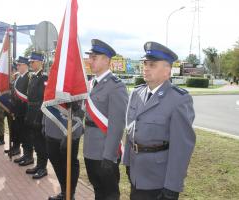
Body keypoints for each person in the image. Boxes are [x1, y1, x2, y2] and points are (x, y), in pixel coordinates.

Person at [123, 41, 196, 200]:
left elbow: (181, 149)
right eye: (145, 64)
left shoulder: (178, 100)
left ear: (167, 71)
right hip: (136, 173)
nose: (146, 68)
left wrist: (172, 186)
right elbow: (130, 131)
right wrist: (127, 163)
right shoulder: (136, 94)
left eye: (152, 64)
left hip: (159, 178)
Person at [83, 39, 128, 200]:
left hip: (104, 153)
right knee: (98, 191)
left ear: (106, 60)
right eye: (90, 57)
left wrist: (109, 156)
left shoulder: (116, 86)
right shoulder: (90, 83)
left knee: (109, 194)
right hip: (90, 149)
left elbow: (117, 126)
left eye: (94, 57)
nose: (90, 61)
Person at [45, 101, 84, 200]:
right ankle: (64, 191)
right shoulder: (52, 84)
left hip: (70, 128)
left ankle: (70, 194)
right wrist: (43, 123)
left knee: (70, 162)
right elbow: (47, 101)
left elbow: (79, 108)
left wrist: (71, 134)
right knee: (54, 159)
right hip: (52, 127)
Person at [22, 52, 48, 179]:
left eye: (33, 62)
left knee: (41, 143)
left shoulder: (44, 78)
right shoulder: (33, 77)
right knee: (35, 142)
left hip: (39, 114)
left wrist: (39, 117)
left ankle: (43, 168)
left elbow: (44, 99)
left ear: (40, 62)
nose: (31, 64)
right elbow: (30, 98)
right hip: (31, 113)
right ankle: (38, 165)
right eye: (30, 62)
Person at [5, 61, 29, 156]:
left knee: (23, 133)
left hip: (23, 110)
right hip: (15, 109)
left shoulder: (28, 78)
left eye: (20, 65)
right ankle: (15, 147)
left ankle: (27, 154)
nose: (18, 66)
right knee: (15, 130)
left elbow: (26, 96)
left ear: (25, 65)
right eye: (17, 65)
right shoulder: (18, 77)